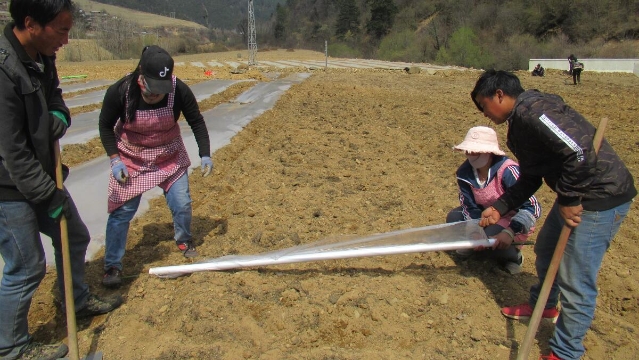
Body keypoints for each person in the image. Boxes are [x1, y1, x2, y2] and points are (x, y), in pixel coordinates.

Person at [471, 70, 636, 360]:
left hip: (599, 197)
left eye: (484, 105)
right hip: (574, 195)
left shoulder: (535, 112)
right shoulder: (520, 123)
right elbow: (532, 175)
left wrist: (571, 198)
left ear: (499, 94)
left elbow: (580, 152)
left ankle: (566, 351)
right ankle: (544, 305)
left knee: (577, 277)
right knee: (547, 249)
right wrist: (500, 206)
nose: (485, 113)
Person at [0, 1, 124, 359]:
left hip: (37, 174)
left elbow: (53, 93)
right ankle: (11, 348)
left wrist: (58, 111)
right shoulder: (4, 71)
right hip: (7, 184)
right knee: (26, 266)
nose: (66, 40)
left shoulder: (41, 56)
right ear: (31, 24)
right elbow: (13, 151)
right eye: (62, 30)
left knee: (74, 236)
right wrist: (47, 195)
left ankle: (75, 298)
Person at [98, 45, 213, 288]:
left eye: (160, 91)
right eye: (151, 90)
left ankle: (184, 240)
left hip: (169, 155)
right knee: (121, 212)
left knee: (182, 202)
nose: (154, 96)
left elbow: (197, 121)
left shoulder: (179, 90)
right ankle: (112, 265)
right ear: (141, 74)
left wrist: (205, 153)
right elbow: (105, 126)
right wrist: (114, 159)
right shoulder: (120, 92)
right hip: (132, 156)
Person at [446, 126, 541, 275]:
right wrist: (474, 231)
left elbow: (532, 208)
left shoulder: (508, 171)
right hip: (486, 217)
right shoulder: (464, 173)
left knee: (491, 239)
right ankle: (476, 246)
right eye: (469, 151)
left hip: (511, 219)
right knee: (453, 218)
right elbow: (469, 205)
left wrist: (511, 231)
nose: (471, 155)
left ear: (489, 152)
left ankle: (513, 256)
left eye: (476, 151)